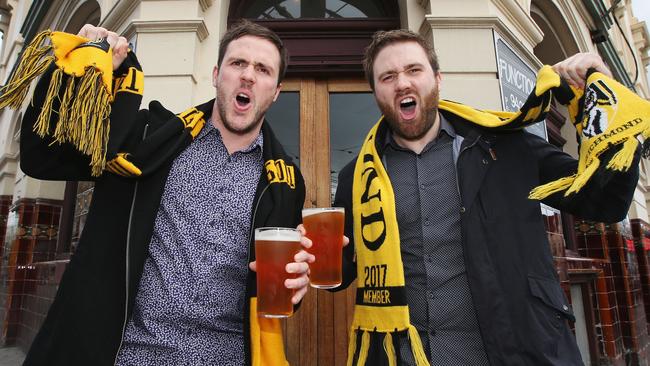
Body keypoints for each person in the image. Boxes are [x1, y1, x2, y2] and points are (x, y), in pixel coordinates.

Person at [332, 29, 640, 365]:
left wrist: (608, 104)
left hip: (517, 351)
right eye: (388, 76)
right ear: (375, 92)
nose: (402, 83)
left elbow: (605, 201)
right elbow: (341, 272)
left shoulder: (504, 145)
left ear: (437, 79)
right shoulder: (357, 177)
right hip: (405, 356)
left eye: (414, 70)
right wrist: (312, 265)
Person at [19, 20, 312, 365]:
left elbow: (276, 290)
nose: (248, 75)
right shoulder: (146, 138)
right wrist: (75, 72)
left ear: (276, 91)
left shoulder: (285, 182)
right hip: (128, 355)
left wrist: (297, 287)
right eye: (238, 63)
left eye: (263, 69)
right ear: (217, 75)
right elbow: (42, 156)